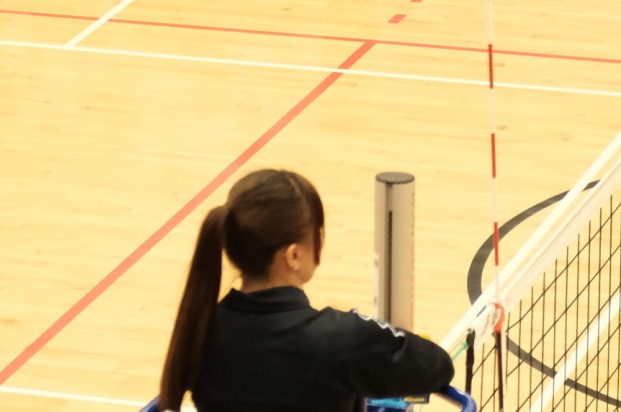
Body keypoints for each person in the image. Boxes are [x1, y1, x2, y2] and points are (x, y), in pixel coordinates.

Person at [157, 169, 457, 412]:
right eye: (318, 233)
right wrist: (359, 328)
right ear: (294, 255)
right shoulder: (341, 337)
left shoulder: (200, 329)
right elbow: (436, 366)